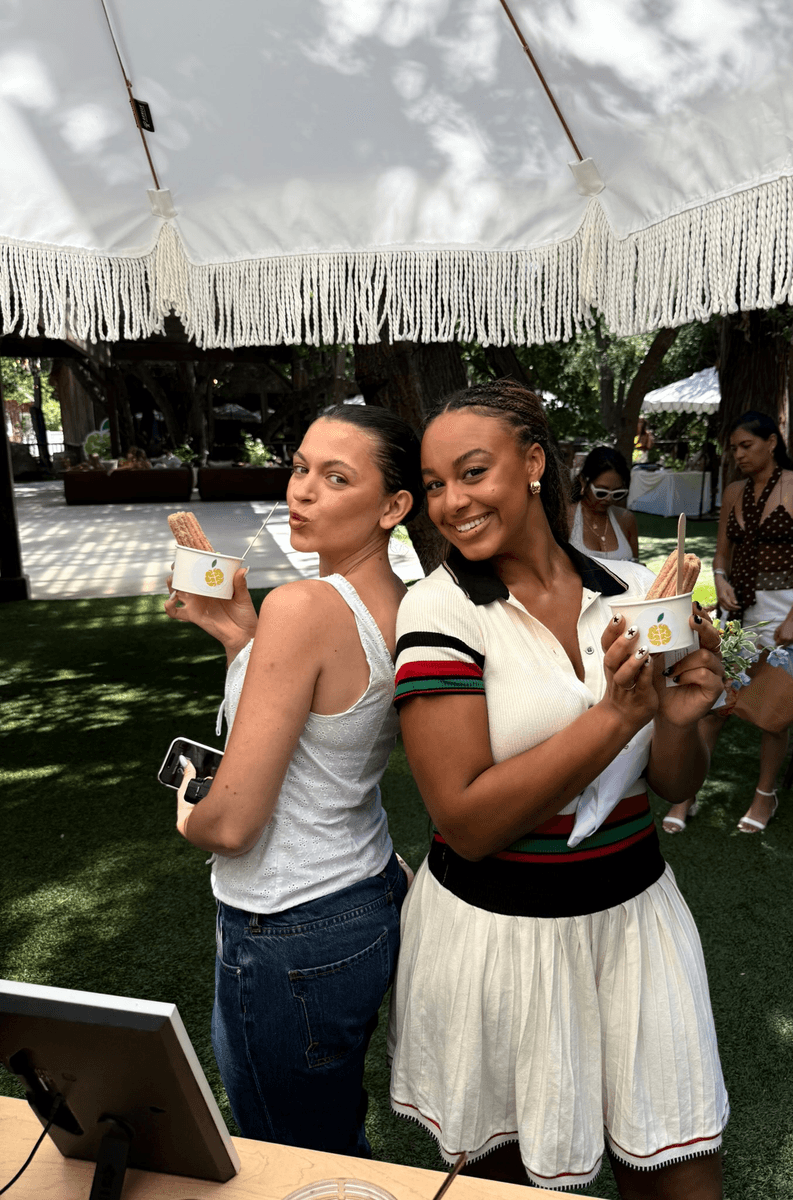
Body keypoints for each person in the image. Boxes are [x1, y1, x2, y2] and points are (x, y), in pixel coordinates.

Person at [388, 381, 728, 1199]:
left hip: (635, 921)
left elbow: (673, 785)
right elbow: (465, 823)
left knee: (682, 1179)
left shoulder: (632, 588)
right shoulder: (437, 611)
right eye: (435, 485)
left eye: (473, 473)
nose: (451, 503)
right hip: (500, 939)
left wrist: (679, 718)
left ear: (534, 462)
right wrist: (615, 716)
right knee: (512, 1184)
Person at [163, 404, 423, 1156]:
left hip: (287, 925)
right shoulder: (400, 605)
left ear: (393, 506)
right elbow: (326, 732)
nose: (302, 490)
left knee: (294, 1156)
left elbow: (234, 825)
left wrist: (189, 806)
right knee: (332, 1131)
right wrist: (238, 633)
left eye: (336, 477)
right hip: (366, 894)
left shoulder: (305, 605)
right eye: (302, 466)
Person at [662, 411, 793, 836]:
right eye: (733, 448)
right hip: (737, 615)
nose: (738, 454)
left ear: (772, 443)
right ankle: (687, 790)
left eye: (746, 445)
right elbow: (722, 553)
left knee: (775, 710)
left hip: (787, 612)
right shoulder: (735, 491)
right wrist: (719, 579)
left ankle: (764, 795)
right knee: (715, 704)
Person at [569, 444, 639, 560]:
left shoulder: (626, 520)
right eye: (601, 492)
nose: (609, 499)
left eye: (617, 493)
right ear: (583, 482)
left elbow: (636, 565)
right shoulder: (565, 518)